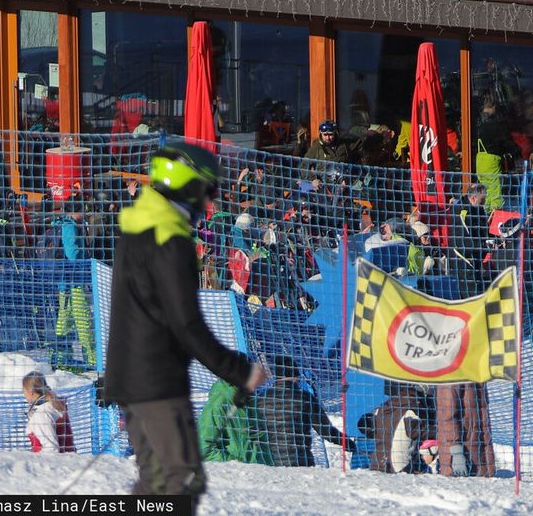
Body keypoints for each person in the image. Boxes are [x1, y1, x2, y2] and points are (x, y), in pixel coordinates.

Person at [104, 141, 265, 498]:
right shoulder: (169, 239)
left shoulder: (139, 228)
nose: (208, 206)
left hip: (136, 378)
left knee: (159, 480)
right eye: (205, 193)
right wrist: (240, 371)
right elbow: (186, 325)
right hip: (153, 383)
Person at [255, 356, 350, 467]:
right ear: (296, 376)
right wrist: (349, 444)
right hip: (301, 462)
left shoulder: (261, 399)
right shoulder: (305, 398)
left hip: (270, 464)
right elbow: (327, 432)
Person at [23, 371, 75, 453]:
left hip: (53, 463)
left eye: (24, 391)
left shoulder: (41, 414)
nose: (24, 395)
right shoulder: (54, 405)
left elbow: (51, 448)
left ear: (30, 391)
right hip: (68, 460)